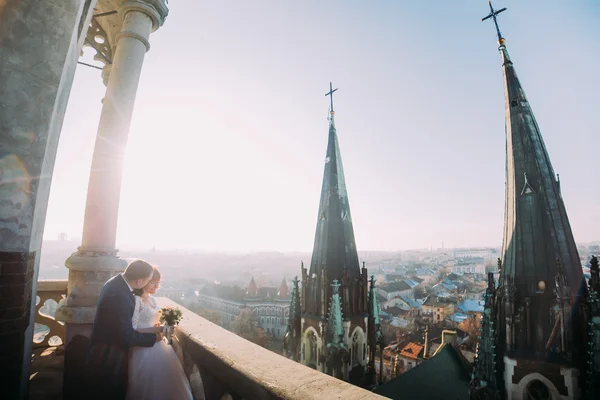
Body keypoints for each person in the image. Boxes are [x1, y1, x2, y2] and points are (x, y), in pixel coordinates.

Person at [87, 259, 164, 400]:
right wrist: (154, 338)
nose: (149, 283)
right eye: (148, 280)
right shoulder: (120, 296)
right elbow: (126, 335)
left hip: (104, 345)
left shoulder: (115, 282)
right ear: (139, 281)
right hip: (109, 351)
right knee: (109, 390)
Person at [126, 267, 200, 400]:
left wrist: (165, 324)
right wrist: (159, 330)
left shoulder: (152, 300)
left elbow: (155, 320)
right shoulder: (136, 300)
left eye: (158, 282)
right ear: (144, 281)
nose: (157, 286)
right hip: (144, 346)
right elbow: (135, 328)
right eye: (153, 282)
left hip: (160, 345)